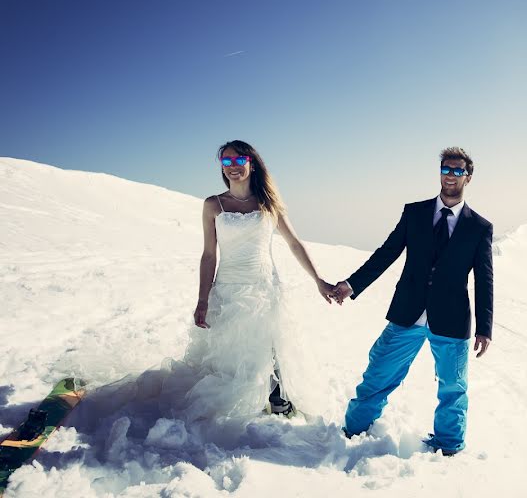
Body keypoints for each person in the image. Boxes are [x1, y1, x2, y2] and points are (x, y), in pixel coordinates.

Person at [330, 146, 493, 456]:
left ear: (468, 177)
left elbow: (484, 279)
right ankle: (353, 430)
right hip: (408, 314)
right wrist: (351, 285)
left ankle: (449, 445)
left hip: (452, 319)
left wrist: (485, 327)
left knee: (453, 389)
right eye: (446, 168)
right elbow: (386, 253)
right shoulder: (414, 212)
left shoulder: (480, 227)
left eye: (458, 170)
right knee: (378, 373)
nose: (450, 175)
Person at [189, 139, 335, 419]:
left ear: (251, 163)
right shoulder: (213, 205)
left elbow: (294, 243)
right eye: (227, 161)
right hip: (228, 287)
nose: (233, 167)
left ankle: (278, 399)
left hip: (264, 285)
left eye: (238, 160)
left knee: (270, 343)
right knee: (233, 347)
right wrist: (202, 299)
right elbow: (209, 255)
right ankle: (240, 401)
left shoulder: (268, 204)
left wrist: (319, 281)